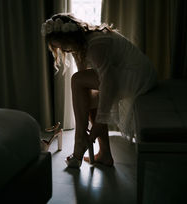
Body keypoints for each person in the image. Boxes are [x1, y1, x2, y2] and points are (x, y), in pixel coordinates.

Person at [41, 13, 157, 168]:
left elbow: (108, 84)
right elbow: (85, 86)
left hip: (138, 76)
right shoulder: (79, 45)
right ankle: (104, 154)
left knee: (76, 80)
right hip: (125, 74)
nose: (63, 50)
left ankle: (79, 142)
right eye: (58, 48)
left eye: (63, 45)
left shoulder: (96, 44)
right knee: (84, 93)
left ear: (71, 38)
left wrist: (99, 122)